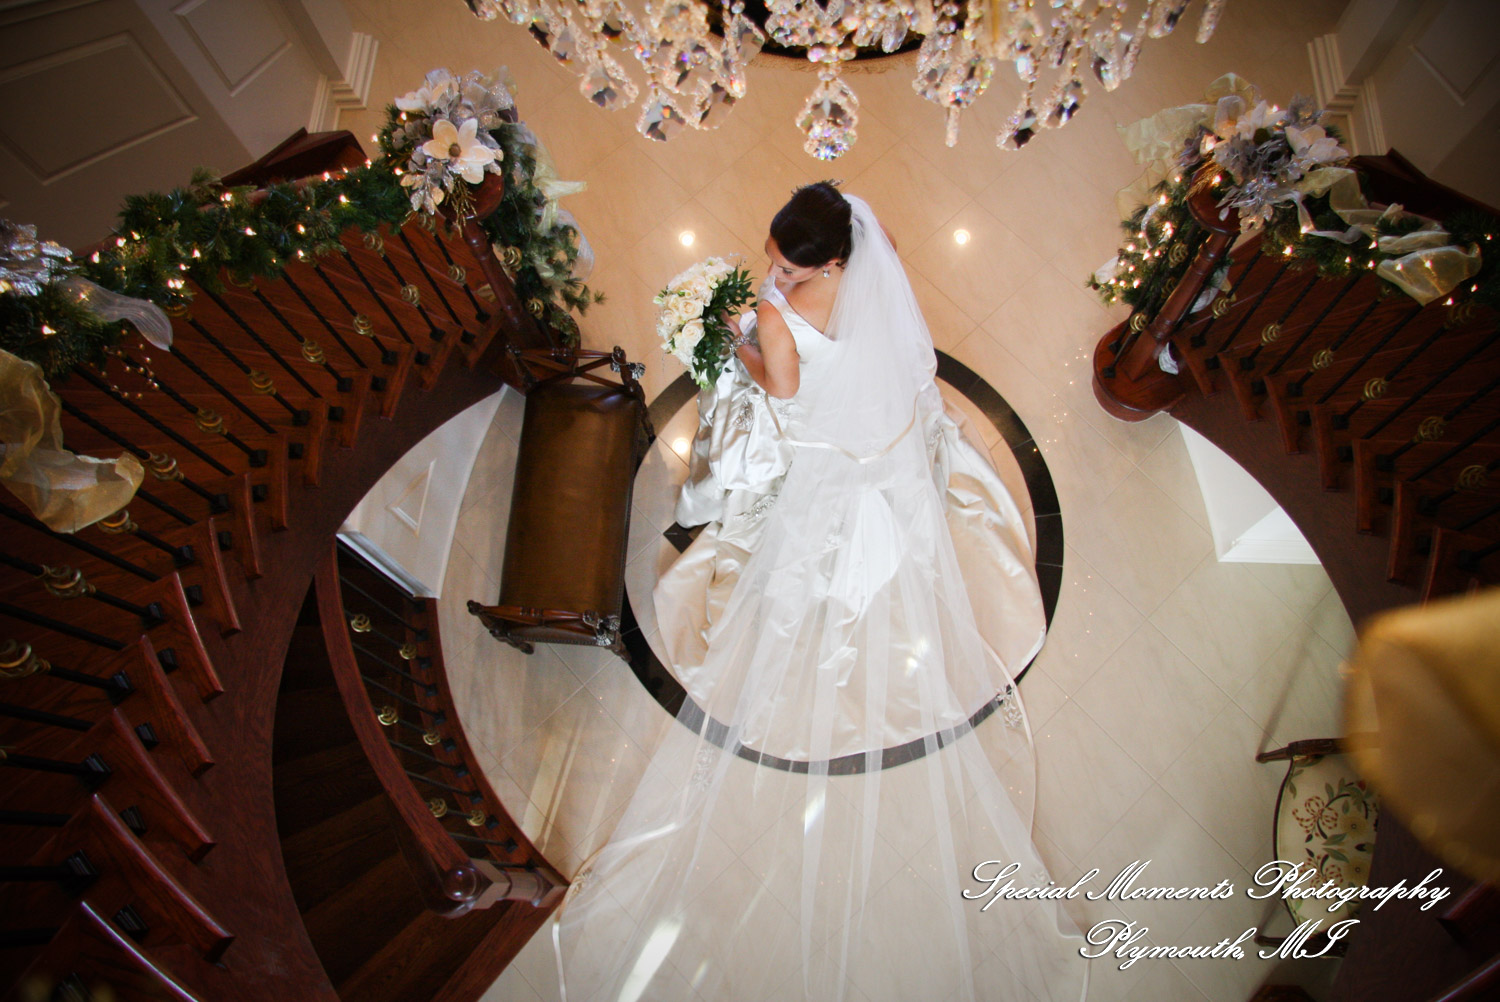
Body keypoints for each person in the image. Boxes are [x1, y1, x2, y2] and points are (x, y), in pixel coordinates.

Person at [554, 183, 1088, 1002]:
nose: (775, 273)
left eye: (788, 266)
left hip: (825, 454)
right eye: (774, 258)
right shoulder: (874, 256)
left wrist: (734, 339)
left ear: (832, 259)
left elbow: (783, 392)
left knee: (796, 543)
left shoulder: (775, 318)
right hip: (883, 440)